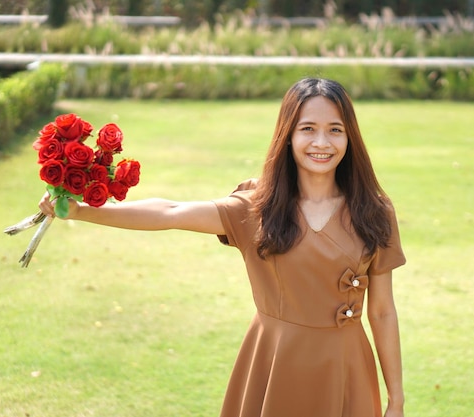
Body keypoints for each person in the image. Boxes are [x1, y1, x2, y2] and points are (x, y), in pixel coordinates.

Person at [39, 78, 407, 417]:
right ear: (288, 135)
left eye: (335, 130)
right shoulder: (256, 208)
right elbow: (171, 212)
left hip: (347, 367)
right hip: (273, 362)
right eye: (307, 129)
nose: (322, 143)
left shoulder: (372, 210)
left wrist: (396, 399)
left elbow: (383, 312)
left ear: (350, 137)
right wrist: (80, 211)